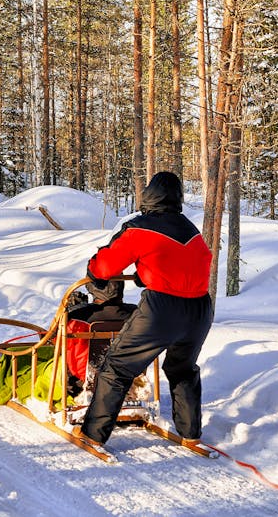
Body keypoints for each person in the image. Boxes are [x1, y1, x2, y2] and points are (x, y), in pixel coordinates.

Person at [74, 171, 213, 447]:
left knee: (116, 367)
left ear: (148, 196)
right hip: (200, 310)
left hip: (162, 310)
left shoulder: (140, 227)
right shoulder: (191, 230)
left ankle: (93, 435)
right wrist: (146, 272)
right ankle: (191, 434)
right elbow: (185, 264)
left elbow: (105, 266)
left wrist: (94, 271)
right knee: (182, 369)